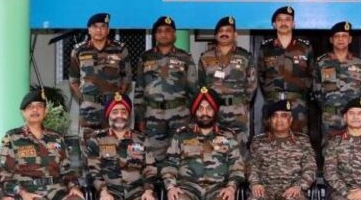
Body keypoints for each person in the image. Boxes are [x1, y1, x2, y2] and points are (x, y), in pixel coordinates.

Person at [135, 15, 198, 163]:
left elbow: (193, 89)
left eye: (168, 30)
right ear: (155, 35)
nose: (163, 34)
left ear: (174, 34)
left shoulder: (185, 57)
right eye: (160, 31)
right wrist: (139, 118)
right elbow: (139, 90)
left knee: (181, 155)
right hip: (152, 116)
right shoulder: (145, 57)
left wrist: (192, 117)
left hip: (180, 115)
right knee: (154, 157)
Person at [69, 13, 132, 149]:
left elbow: (126, 78)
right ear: (89, 30)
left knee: (114, 143)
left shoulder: (120, 49)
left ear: (108, 30)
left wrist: (116, 99)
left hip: (113, 107)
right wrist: (85, 98)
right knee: (88, 144)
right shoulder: (79, 50)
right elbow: (73, 80)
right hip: (89, 107)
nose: (99, 30)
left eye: (103, 26)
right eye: (95, 27)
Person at [198, 16, 257, 152]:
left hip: (237, 111)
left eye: (228, 31)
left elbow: (252, 85)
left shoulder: (245, 57)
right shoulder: (205, 57)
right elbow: (201, 85)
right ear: (215, 35)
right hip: (213, 111)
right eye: (220, 31)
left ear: (235, 34)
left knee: (239, 149)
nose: (224, 34)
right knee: (214, 148)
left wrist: (241, 103)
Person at [258, 6, 314, 133]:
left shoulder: (304, 47)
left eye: (287, 19)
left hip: (297, 106)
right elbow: (261, 76)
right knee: (271, 141)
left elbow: (311, 75)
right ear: (274, 24)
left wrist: (300, 95)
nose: (284, 23)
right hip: (273, 104)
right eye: (280, 20)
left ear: (293, 23)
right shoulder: (266, 48)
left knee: (299, 140)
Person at [313, 21, 361, 140]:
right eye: (337, 36)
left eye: (344, 36)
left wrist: (356, 111)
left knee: (355, 148)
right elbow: (317, 92)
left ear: (350, 39)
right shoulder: (321, 63)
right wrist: (329, 108)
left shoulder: (359, 63)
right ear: (331, 40)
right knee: (329, 148)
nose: (340, 39)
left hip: (354, 117)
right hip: (330, 117)